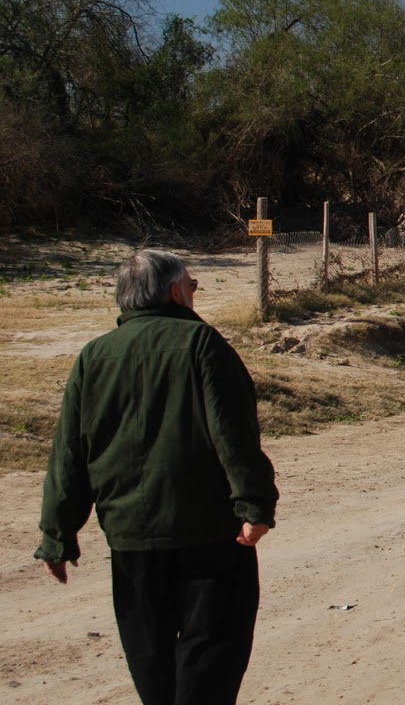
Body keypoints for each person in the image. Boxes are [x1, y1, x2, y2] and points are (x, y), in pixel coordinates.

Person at [35, 249, 278, 705]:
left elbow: (69, 453)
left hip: (131, 541)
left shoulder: (93, 357)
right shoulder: (202, 344)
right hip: (208, 537)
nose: (194, 292)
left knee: (151, 663)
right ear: (171, 292)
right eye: (191, 284)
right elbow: (233, 433)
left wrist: (58, 535)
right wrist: (255, 505)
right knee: (212, 651)